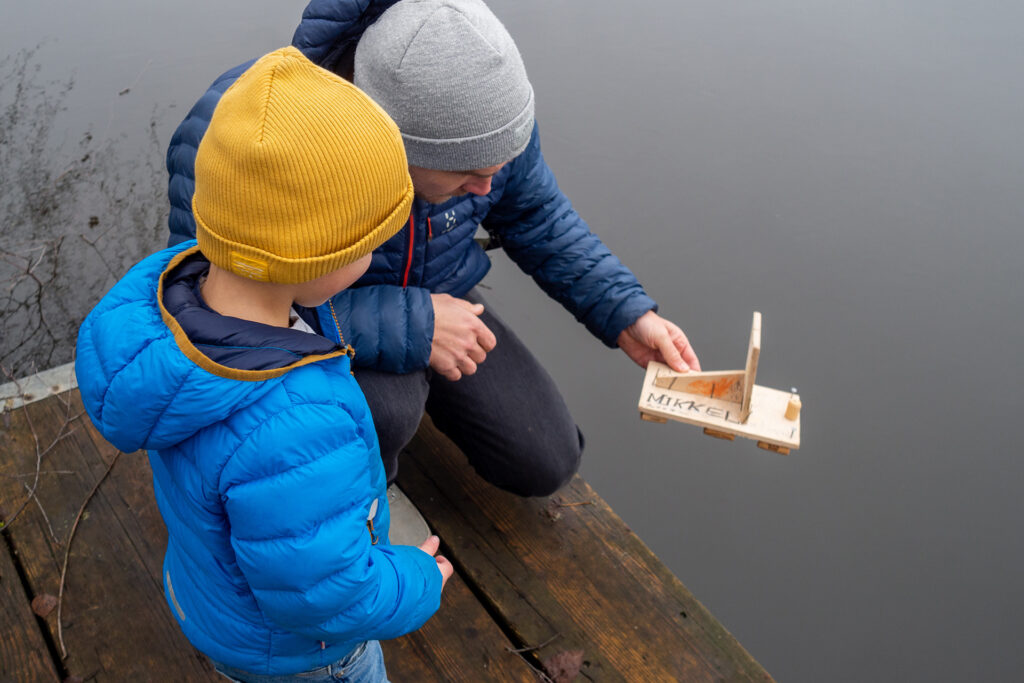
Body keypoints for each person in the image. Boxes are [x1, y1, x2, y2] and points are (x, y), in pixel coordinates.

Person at [166, 0, 701, 499]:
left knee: (546, 461)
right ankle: (359, 511)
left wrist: (626, 313)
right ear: (391, 148)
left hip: (437, 288)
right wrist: (415, 325)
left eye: (496, 168)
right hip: (314, 316)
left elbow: (536, 214)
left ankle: (400, 402)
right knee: (386, 412)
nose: (486, 189)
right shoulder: (247, 132)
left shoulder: (486, 111)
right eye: (469, 173)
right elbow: (213, 306)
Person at [75, 47, 451, 682]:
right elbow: (329, 599)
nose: (376, 254)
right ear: (316, 257)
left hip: (217, 602)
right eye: (370, 242)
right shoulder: (295, 426)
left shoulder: (171, 302)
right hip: (308, 659)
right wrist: (417, 578)